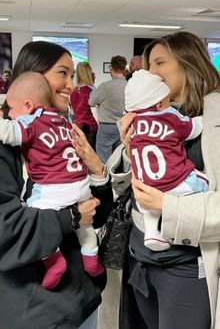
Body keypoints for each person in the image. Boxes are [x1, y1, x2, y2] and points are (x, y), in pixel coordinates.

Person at [0, 41, 113, 329]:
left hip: (83, 300)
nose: (71, 84)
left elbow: (97, 214)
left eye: (72, 75)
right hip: (36, 312)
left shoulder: (67, 132)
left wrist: (98, 172)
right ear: (33, 78)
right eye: (62, 74)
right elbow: (1, 234)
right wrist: (72, 216)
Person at [108, 31, 220, 329]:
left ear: (190, 63)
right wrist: (129, 149)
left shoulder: (212, 119)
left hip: (187, 264)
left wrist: (169, 206)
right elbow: (133, 185)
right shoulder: (149, 116)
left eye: (160, 63)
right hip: (141, 257)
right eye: (147, 65)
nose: (150, 73)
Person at [0, 71, 104, 291]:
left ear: (29, 104)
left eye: (12, 108)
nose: (10, 113)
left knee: (34, 212)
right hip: (80, 185)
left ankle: (53, 260)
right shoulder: (62, 120)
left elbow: (10, 133)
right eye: (63, 73)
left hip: (54, 189)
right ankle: (92, 261)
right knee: (86, 228)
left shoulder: (32, 121)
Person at [125, 69, 208, 251]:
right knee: (205, 181)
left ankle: (152, 233)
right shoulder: (169, 115)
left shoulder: (132, 123)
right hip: (175, 183)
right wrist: (204, 118)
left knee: (149, 211)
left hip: (144, 189)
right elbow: (192, 128)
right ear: (160, 102)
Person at [89, 55, 127, 163]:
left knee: (103, 159)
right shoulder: (129, 85)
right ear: (124, 68)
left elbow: (91, 102)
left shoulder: (105, 86)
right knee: (119, 159)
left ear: (111, 68)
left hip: (106, 127)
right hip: (123, 126)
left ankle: (106, 180)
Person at [70, 62, 98, 150]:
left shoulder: (72, 91)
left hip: (78, 127)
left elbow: (72, 112)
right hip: (91, 127)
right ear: (88, 73)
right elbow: (95, 112)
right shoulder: (92, 90)